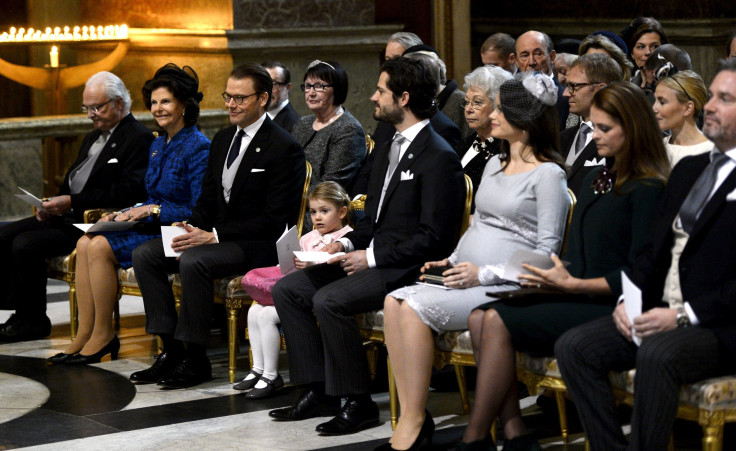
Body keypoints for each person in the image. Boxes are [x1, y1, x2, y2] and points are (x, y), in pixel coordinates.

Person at [458, 81, 670, 450]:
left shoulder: (648, 187)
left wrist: (572, 286)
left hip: (611, 303)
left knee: (492, 319)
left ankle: (474, 438)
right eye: (594, 125)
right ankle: (514, 435)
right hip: (577, 291)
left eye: (605, 129)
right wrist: (552, 278)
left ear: (633, 129)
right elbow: (582, 256)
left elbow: (642, 274)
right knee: (479, 315)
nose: (595, 135)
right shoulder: (597, 178)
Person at [268, 57, 465, 436]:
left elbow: (434, 238)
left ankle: (356, 401)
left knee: (330, 300)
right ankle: (319, 388)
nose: (372, 97)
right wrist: (340, 243)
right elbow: (372, 222)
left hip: (408, 267)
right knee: (289, 288)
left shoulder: (438, 156)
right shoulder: (390, 143)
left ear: (404, 98)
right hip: (375, 255)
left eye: (381, 91)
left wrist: (369, 256)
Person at [377, 71, 570, 451]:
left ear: (525, 120)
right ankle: (417, 418)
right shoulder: (496, 165)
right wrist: (449, 260)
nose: (492, 115)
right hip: (468, 276)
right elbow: (477, 226)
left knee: (412, 307)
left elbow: (548, 255)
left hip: (508, 286)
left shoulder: (549, 175)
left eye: (500, 109)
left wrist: (483, 273)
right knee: (392, 300)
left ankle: (413, 425)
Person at [555, 59, 736, 451]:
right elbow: (654, 248)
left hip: (717, 323)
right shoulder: (691, 169)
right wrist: (627, 299)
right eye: (714, 97)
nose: (710, 107)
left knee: (657, 352)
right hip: (662, 309)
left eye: (726, 99)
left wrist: (683, 314)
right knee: (575, 346)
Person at [128, 63, 305, 389]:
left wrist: (214, 236)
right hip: (216, 236)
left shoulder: (284, 146)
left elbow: (276, 219)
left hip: (255, 243)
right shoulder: (223, 139)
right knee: (147, 254)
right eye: (228, 96)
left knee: (194, 260)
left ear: (263, 98)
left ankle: (196, 359)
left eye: (240, 98)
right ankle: (170, 350)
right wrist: (190, 226)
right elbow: (208, 199)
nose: (231, 104)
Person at [47, 64, 210, 365]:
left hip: (176, 229)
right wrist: (120, 214)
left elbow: (198, 209)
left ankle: (103, 335)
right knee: (86, 241)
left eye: (166, 102)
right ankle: (86, 333)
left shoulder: (198, 147)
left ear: (184, 105)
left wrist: (152, 209)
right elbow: (149, 196)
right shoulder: (159, 145)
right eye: (154, 102)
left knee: (98, 246)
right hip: (150, 225)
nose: (157, 108)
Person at [0, 71, 152, 342]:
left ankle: (33, 320)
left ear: (118, 103)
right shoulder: (93, 136)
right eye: (87, 108)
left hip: (93, 220)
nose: (91, 114)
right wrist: (50, 203)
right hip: (68, 213)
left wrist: (71, 202)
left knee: (26, 244)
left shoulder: (137, 137)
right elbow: (74, 181)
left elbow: (129, 190)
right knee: (3, 235)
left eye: (97, 107)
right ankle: (18, 311)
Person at [236, 182, 353, 399]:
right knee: (254, 311)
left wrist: (312, 265)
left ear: (342, 212)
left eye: (324, 211)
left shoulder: (347, 238)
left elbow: (340, 270)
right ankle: (259, 369)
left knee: (269, 316)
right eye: (313, 212)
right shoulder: (308, 238)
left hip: (318, 294)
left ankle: (272, 376)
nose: (317, 218)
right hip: (296, 291)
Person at [292, 60, 365, 195]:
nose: (311, 93)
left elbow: (331, 187)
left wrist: (285, 194)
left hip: (320, 211)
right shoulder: (302, 123)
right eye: (308, 86)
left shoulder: (349, 129)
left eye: (319, 86)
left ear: (337, 89)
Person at [561, 53, 623, 196]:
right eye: (566, 86)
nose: (565, 93)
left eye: (573, 86)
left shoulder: (620, 140)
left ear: (601, 89)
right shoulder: (561, 138)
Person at [454, 65, 512, 212]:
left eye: (477, 102)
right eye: (467, 102)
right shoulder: (464, 144)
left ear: (498, 105)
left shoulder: (505, 150)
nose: (468, 109)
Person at [653, 70, 713, 166]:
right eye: (655, 100)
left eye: (662, 102)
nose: (654, 108)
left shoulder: (711, 153)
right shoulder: (658, 148)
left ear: (688, 108)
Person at [515, 30, 569, 129]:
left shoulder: (566, 100)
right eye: (525, 55)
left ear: (552, 57)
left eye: (538, 54)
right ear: (517, 62)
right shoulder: (509, 97)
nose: (531, 62)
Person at [620, 16, 668, 89]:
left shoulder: (677, 84)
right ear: (632, 54)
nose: (648, 52)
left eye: (654, 46)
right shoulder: (626, 88)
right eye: (641, 47)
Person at [261, 60, 300, 133]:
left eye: (273, 84)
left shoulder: (296, 125)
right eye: (263, 83)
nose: (266, 90)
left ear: (287, 88)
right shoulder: (251, 120)